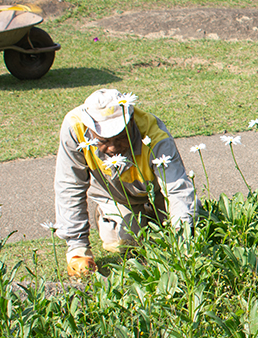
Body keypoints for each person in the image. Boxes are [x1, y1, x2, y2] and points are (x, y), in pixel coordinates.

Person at [54, 89, 197, 277]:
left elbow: (177, 188)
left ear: (130, 123)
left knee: (184, 225)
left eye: (120, 137)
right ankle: (108, 215)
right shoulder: (74, 127)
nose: (113, 147)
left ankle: (154, 216)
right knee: (126, 241)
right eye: (104, 141)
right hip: (114, 196)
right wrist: (77, 247)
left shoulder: (153, 131)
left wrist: (183, 238)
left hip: (157, 194)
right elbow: (70, 185)